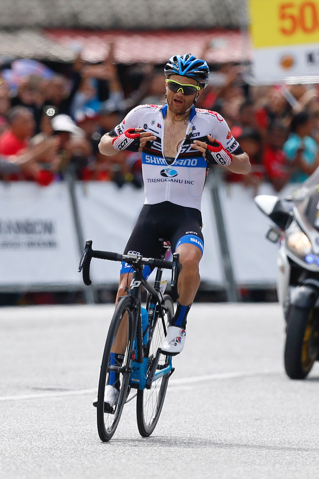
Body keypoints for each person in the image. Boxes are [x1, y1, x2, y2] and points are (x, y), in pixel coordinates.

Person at [97, 54, 251, 409]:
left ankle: (179, 323)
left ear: (198, 92)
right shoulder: (142, 116)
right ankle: (110, 381)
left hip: (185, 215)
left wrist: (218, 154)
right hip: (151, 215)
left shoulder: (212, 124)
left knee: (189, 259)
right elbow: (104, 145)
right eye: (172, 86)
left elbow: (243, 164)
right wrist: (121, 143)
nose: (178, 94)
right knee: (124, 290)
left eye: (186, 89)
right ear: (165, 85)